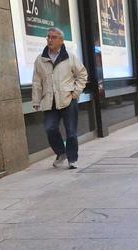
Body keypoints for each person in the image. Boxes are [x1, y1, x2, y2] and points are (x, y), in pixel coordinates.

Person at [31, 27, 87, 169]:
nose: (50, 40)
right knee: (50, 129)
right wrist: (36, 100)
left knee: (71, 132)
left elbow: (82, 74)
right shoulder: (40, 59)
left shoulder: (70, 56)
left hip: (68, 99)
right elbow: (37, 81)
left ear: (61, 40)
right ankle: (61, 153)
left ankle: (72, 159)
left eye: (54, 37)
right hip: (49, 101)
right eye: (48, 37)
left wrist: (76, 93)